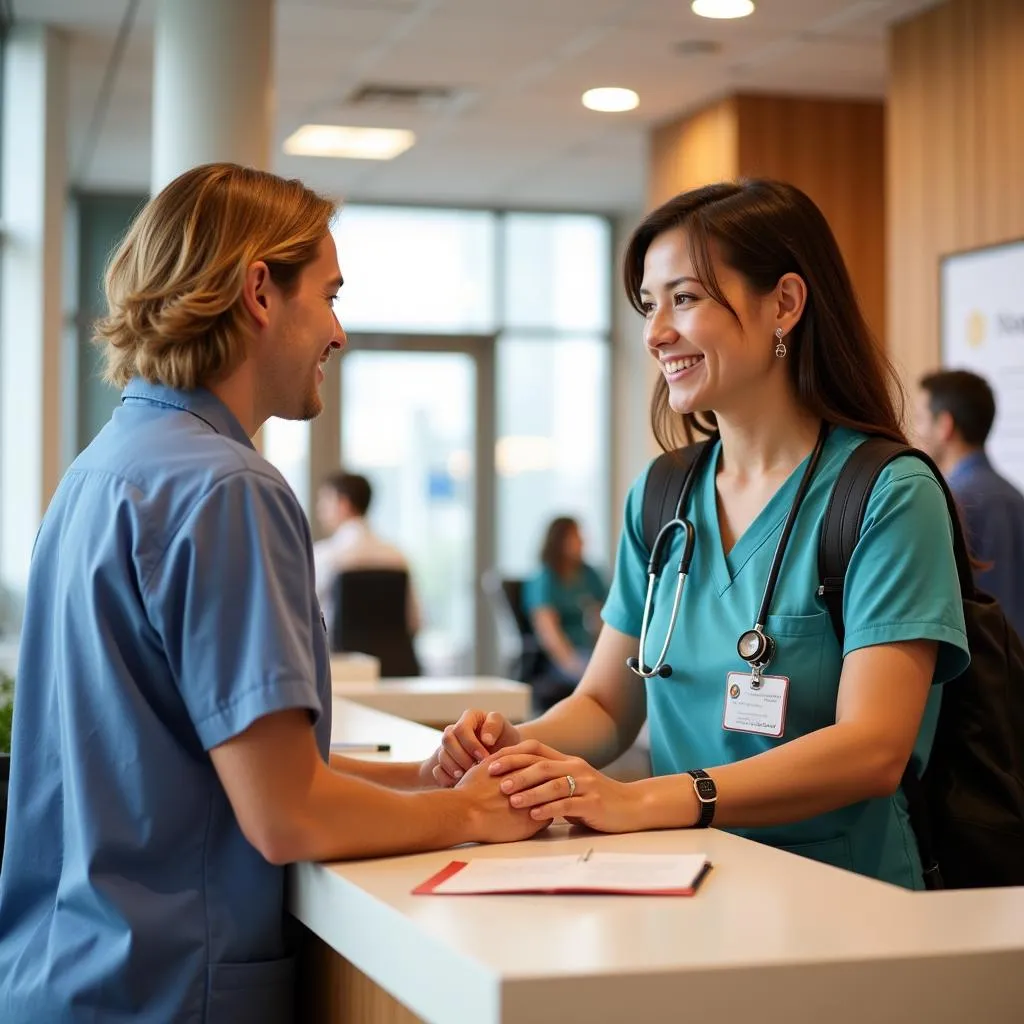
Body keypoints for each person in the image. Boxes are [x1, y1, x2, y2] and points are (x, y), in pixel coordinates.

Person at [0, 164, 543, 1024]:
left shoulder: (103, 468)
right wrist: (467, 815)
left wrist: (424, 785)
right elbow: (286, 814)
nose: (339, 332)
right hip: (168, 991)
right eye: (328, 296)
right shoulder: (228, 489)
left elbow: (196, 767)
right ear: (260, 290)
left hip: (64, 975)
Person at [429, 179, 970, 890]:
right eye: (650, 305)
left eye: (684, 299)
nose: (656, 334)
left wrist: (648, 799)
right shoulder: (662, 496)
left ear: (785, 303)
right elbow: (605, 706)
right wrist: (513, 748)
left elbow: (874, 748)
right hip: (686, 885)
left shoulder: (887, 494)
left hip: (843, 900)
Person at [914, 368, 1024, 639]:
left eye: (919, 419)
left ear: (945, 425)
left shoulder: (950, 502)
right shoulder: (1013, 495)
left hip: (979, 671)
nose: (913, 430)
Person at [313, 470, 422, 638]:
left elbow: (305, 615)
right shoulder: (396, 556)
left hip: (338, 661)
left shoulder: (325, 557)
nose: (319, 509)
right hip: (396, 661)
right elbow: (415, 622)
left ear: (344, 504)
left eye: (325, 501)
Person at [523, 516, 607, 698]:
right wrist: (576, 666)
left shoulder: (589, 574)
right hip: (560, 659)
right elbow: (549, 634)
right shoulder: (544, 580)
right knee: (603, 679)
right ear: (559, 541)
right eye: (575, 536)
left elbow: (604, 617)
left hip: (590, 650)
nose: (582, 541)